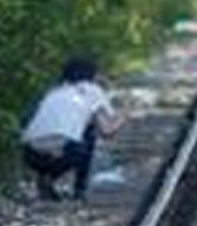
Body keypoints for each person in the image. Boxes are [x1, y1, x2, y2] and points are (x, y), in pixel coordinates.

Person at [19, 55, 125, 200]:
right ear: (92, 74)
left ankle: (46, 178)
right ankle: (79, 191)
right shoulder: (93, 90)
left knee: (71, 136)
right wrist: (122, 117)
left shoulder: (54, 90)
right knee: (90, 134)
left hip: (30, 153)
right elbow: (107, 132)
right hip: (65, 153)